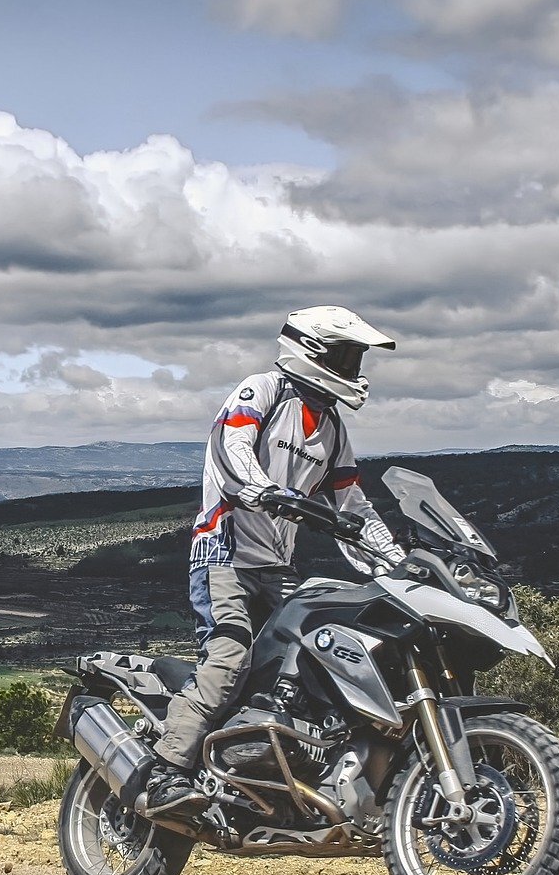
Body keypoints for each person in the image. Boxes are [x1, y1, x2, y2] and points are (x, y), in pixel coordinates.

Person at [142, 305, 406, 819]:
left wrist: (396, 562)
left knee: (306, 662)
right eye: (346, 355)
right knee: (231, 656)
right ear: (311, 351)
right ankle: (166, 771)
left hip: (276, 567)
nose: (355, 367)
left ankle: (267, 774)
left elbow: (353, 504)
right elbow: (229, 447)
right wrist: (264, 490)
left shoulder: (331, 427)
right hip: (225, 553)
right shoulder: (262, 390)